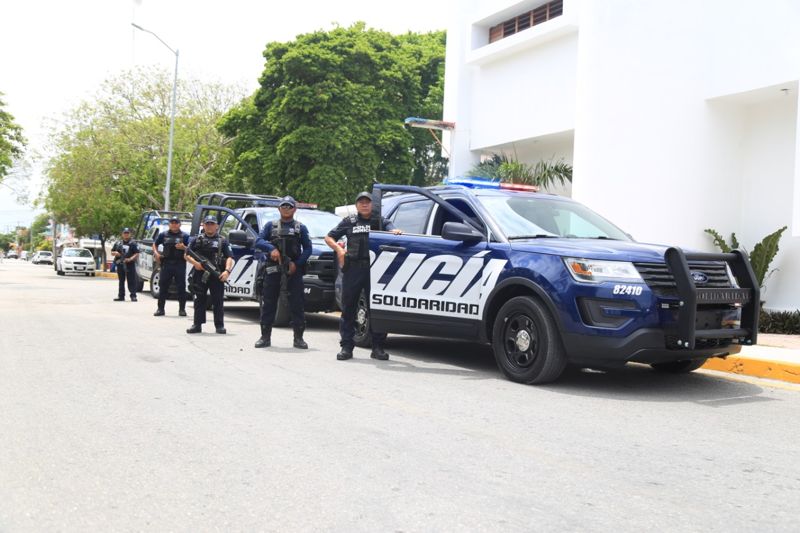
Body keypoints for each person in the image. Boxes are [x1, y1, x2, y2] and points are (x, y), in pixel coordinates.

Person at [325, 191, 402, 361]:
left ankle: (378, 347)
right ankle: (346, 347)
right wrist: (339, 250)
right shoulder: (349, 221)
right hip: (353, 269)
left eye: (368, 201)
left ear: (373, 204)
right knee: (349, 308)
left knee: (376, 308)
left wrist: (395, 231)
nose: (365, 204)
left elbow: (393, 230)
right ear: (356, 205)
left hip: (375, 270)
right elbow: (329, 237)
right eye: (361, 202)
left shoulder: (380, 221)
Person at [254, 196, 312, 349]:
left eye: (289, 206)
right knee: (268, 303)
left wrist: (296, 264)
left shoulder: (300, 228)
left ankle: (298, 338)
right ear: (279, 209)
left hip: (293, 271)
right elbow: (258, 241)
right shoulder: (270, 226)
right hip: (273, 269)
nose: (286, 209)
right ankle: (265, 337)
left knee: (297, 304)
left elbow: (308, 249)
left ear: (295, 209)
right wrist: (271, 249)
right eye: (284, 206)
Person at [185, 215, 234, 334]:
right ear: (203, 225)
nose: (210, 226)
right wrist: (195, 263)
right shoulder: (196, 240)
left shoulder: (222, 240)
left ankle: (219, 325)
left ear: (217, 226)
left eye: (212, 224)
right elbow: (186, 254)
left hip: (216, 274)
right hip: (200, 273)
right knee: (199, 299)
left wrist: (227, 271)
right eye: (207, 224)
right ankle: (197, 325)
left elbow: (230, 257)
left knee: (218, 301)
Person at [153, 216, 190, 317]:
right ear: (169, 224)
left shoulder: (185, 236)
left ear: (179, 224)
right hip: (166, 263)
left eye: (176, 223)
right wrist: (156, 253)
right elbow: (155, 244)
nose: (174, 225)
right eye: (172, 223)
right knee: (163, 287)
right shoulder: (163, 235)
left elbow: (191, 249)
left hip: (180, 264)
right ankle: (160, 309)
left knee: (181, 287)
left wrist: (184, 247)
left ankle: (182, 309)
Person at [111, 228, 140, 302]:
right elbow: (112, 252)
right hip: (120, 264)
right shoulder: (118, 243)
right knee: (121, 281)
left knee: (131, 280)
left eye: (127, 233)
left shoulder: (133, 243)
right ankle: (121, 296)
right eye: (125, 233)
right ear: (122, 234)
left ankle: (133, 296)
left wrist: (130, 259)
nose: (126, 234)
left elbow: (137, 253)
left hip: (130, 264)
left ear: (130, 234)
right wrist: (116, 253)